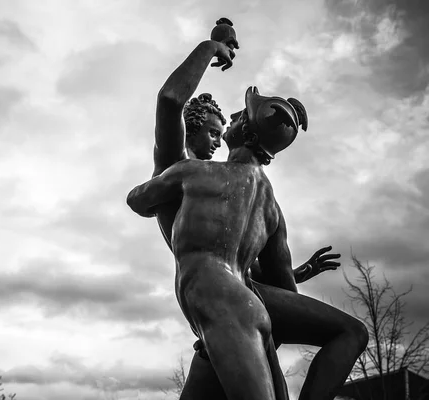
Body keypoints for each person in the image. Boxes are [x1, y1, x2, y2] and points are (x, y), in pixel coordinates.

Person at [140, 30, 368, 399]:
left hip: (229, 303)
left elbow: (236, 263)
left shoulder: (217, 182)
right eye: (212, 132)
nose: (217, 139)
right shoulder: (177, 166)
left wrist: (298, 274)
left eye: (222, 131)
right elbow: (169, 101)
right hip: (231, 305)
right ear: (190, 129)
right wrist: (211, 47)